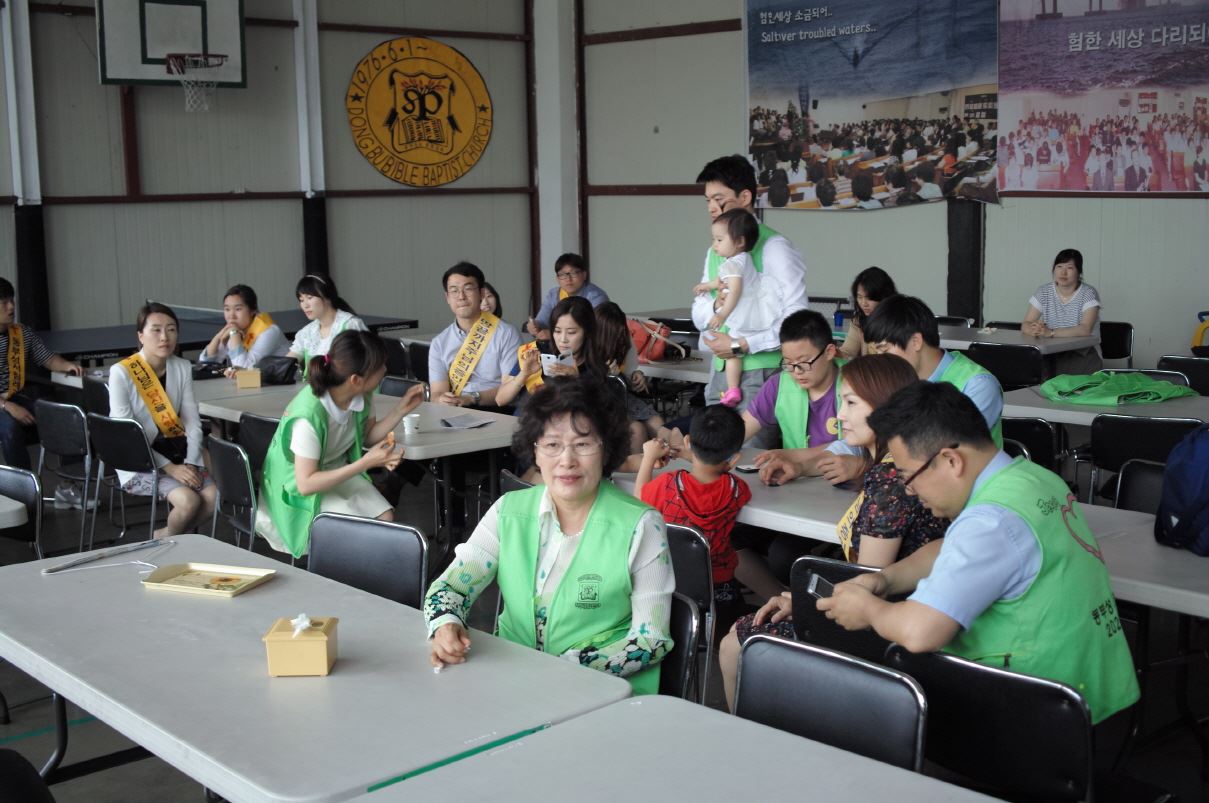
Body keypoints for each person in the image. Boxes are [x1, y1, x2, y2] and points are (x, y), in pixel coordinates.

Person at [817, 382, 1139, 726]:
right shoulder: (1031, 478)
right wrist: (885, 579)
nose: (908, 490)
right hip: (1092, 688)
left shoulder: (990, 522)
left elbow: (920, 632)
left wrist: (869, 610)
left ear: (951, 460)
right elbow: (951, 549)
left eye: (909, 476)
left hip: (1041, 716)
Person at [716, 354, 949, 707]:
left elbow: (867, 582)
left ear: (885, 408)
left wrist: (802, 600)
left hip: (880, 631)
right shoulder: (891, 467)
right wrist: (799, 597)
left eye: (851, 403)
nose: (839, 415)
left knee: (736, 643)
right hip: (898, 615)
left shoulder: (889, 481)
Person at [424, 377, 675, 693]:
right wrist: (446, 624)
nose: (566, 460)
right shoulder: (508, 512)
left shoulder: (641, 525)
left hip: (604, 691)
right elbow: (451, 587)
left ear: (606, 449)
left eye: (582, 444)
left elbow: (651, 639)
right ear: (535, 452)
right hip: (513, 682)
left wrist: (562, 670)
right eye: (552, 445)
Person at [257, 331, 423, 558]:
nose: (385, 370)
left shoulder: (361, 394)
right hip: (296, 487)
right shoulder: (308, 416)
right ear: (356, 379)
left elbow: (367, 436)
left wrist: (401, 410)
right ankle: (344, 573)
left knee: (384, 519)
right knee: (362, 531)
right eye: (380, 367)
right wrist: (365, 463)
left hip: (334, 471)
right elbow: (305, 484)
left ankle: (360, 572)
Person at [692, 155, 808, 413]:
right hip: (720, 371)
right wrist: (715, 306)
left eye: (718, 200)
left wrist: (740, 345)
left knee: (750, 441)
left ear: (744, 197)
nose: (711, 208)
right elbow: (699, 312)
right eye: (707, 201)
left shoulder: (775, 247)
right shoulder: (715, 249)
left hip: (761, 373)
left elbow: (796, 320)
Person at [635, 405, 753, 634]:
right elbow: (713, 476)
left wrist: (648, 458)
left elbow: (640, 501)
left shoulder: (667, 485)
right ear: (735, 458)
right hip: (721, 591)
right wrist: (696, 456)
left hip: (673, 588)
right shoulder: (737, 488)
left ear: (687, 441)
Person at [108, 303, 216, 538]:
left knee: (213, 498)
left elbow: (192, 421)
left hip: (178, 452)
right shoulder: (121, 372)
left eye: (171, 329)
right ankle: (172, 544)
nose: (164, 337)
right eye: (156, 330)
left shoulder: (182, 367)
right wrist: (169, 468)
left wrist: (191, 462)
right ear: (141, 336)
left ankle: (165, 537)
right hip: (139, 459)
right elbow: (127, 435)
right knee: (188, 502)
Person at [741, 310, 867, 489]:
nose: (796, 372)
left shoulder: (856, 382)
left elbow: (861, 445)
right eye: (788, 363)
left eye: (803, 362)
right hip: (796, 485)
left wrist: (794, 456)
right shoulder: (779, 385)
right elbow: (742, 430)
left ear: (829, 352)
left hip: (849, 487)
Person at [862, 295, 1003, 447]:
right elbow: (863, 431)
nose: (880, 360)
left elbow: (950, 449)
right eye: (876, 352)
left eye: (884, 350)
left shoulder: (977, 385)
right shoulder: (893, 380)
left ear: (916, 341)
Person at [0, 278, 85, 500]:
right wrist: (7, 406)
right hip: (4, 404)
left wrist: (66, 366)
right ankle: (24, 495)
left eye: (11, 300)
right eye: (4, 302)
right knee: (10, 429)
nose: (11, 307)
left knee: (66, 420)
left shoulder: (21, 334)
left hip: (13, 398)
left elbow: (47, 358)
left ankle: (68, 487)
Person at [691, 209, 780, 408]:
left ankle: (733, 389)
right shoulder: (739, 260)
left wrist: (722, 314)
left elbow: (735, 291)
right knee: (733, 348)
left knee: (732, 349)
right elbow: (721, 281)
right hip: (753, 309)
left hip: (746, 313)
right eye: (714, 239)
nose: (714, 244)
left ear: (739, 241)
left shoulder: (734, 264)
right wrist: (707, 286)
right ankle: (733, 389)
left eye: (719, 240)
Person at [428, 262, 521, 408]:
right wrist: (441, 399)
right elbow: (436, 393)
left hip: (495, 410)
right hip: (453, 410)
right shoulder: (439, 343)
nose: (461, 296)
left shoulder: (506, 334)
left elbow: (510, 389)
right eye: (454, 291)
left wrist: (472, 398)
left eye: (468, 288)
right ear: (447, 297)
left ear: (481, 294)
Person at [497, 296, 605, 412]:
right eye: (557, 331)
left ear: (587, 332)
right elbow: (500, 400)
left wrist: (575, 380)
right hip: (522, 421)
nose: (563, 339)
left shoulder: (596, 368)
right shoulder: (537, 351)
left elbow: (595, 414)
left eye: (571, 332)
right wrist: (524, 374)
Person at [1021, 248, 1103, 374]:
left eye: (1070, 268)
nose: (1063, 272)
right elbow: (1026, 324)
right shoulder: (1043, 291)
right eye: (1059, 266)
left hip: (1082, 354)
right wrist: (1035, 329)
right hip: (1052, 352)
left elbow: (1085, 329)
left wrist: (1050, 333)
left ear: (1079, 272)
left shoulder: (1088, 293)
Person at [594, 301, 663, 449]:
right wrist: (610, 376)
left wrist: (635, 375)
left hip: (622, 396)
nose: (621, 336)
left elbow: (628, 373)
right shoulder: (587, 347)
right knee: (637, 431)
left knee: (658, 424)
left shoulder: (623, 340)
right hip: (601, 401)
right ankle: (641, 462)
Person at [199, 284, 290, 374]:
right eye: (227, 309)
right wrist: (218, 336)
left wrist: (234, 333)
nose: (231, 316)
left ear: (253, 310)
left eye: (238, 309)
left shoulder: (269, 332)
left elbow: (243, 368)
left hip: (287, 381)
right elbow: (205, 362)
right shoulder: (234, 330)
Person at [286, 274, 367, 370]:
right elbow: (288, 362)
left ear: (327, 296)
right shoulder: (306, 333)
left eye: (309, 297)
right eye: (301, 300)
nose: (305, 305)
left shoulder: (351, 325)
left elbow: (369, 361)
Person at [526, 254, 609, 341]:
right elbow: (542, 322)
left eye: (573, 273)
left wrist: (553, 334)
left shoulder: (596, 297)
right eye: (562, 275)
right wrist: (535, 326)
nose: (568, 279)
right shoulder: (553, 295)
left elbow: (595, 330)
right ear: (557, 279)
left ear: (584, 275)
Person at [839, 266, 896, 359]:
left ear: (884, 296)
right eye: (860, 297)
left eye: (869, 298)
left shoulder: (897, 322)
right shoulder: (859, 321)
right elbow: (848, 351)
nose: (864, 303)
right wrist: (836, 353)